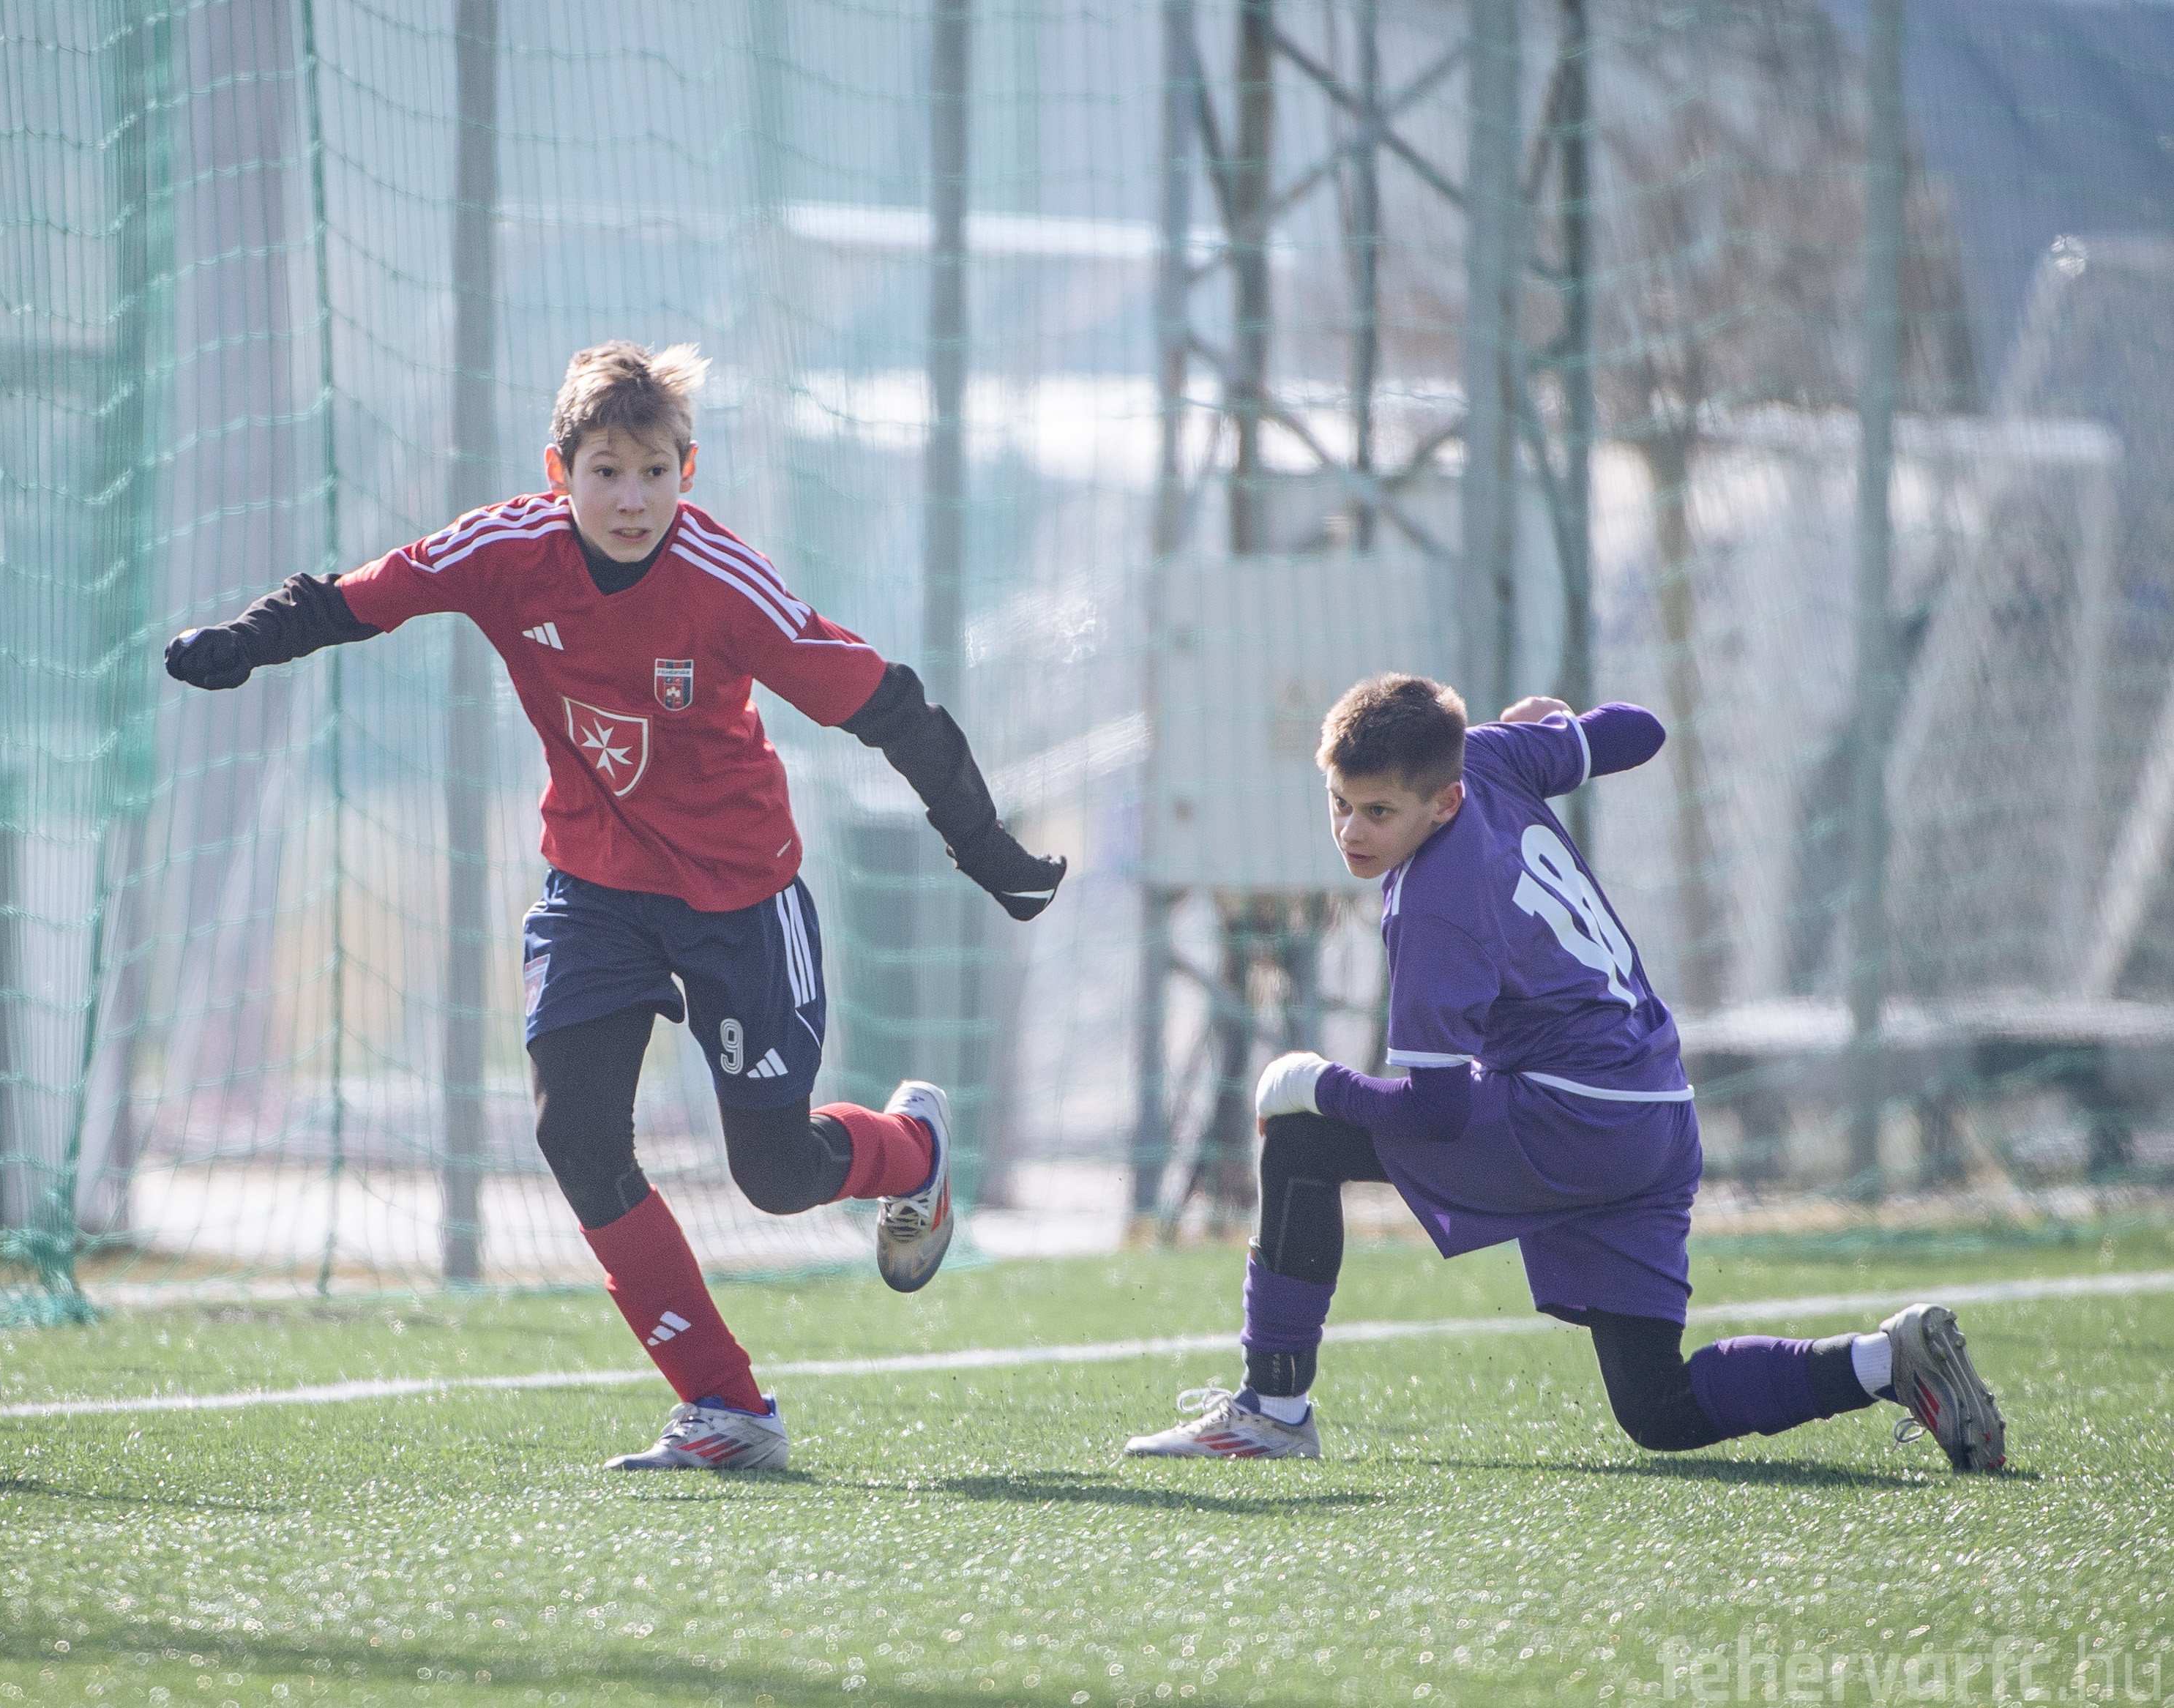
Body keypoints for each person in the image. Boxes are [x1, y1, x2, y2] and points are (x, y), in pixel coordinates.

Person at [166, 340, 1064, 1471]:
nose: (631, 498)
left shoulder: (728, 585)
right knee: (575, 1135)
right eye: (606, 471)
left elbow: (887, 705)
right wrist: (245, 643)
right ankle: (729, 1408)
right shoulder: (505, 551)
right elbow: (360, 599)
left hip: (741, 897)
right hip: (593, 891)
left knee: (776, 1176)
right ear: (560, 472)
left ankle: (910, 1147)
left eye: (653, 472)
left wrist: (984, 845)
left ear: (689, 472)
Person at [1123, 674, 2006, 1472]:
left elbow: (1434, 1111)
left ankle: (1270, 1412)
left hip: (1572, 1119)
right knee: (1657, 1408)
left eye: (1378, 810)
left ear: (1442, 800)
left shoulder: (1432, 908)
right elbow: (1641, 730)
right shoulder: (1488, 755)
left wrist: (1316, 1085)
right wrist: (1557, 727)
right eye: (1338, 803)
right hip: (1655, 1108)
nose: (1352, 830)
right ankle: (1885, 1360)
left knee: (1304, 1142)